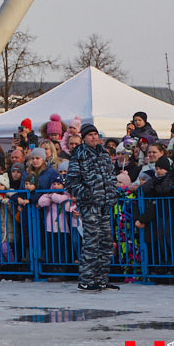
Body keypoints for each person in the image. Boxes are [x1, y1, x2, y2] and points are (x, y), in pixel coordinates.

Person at [64, 124, 119, 291]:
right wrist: (87, 194)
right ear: (84, 138)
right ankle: (86, 280)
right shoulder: (79, 155)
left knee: (106, 243)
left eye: (95, 134)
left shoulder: (103, 153)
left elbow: (111, 176)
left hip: (105, 203)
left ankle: (101, 279)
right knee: (91, 242)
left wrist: (112, 193)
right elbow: (71, 182)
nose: (94, 137)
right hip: (89, 205)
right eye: (90, 135)